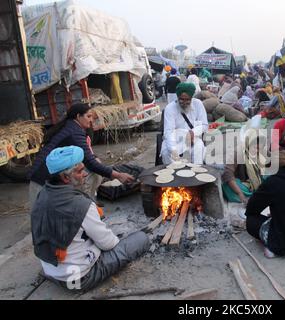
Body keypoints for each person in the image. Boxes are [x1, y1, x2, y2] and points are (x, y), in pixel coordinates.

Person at [31, 146, 150, 292]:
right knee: (141, 239)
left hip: (51, 270)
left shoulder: (42, 195)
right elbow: (108, 244)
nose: (86, 174)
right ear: (65, 177)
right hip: (78, 279)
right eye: (80, 171)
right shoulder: (81, 205)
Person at [28, 103, 134, 206]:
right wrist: (118, 175)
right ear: (78, 116)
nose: (91, 120)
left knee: (95, 167)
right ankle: (87, 206)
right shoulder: (74, 133)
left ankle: (89, 204)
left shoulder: (71, 127)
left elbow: (89, 157)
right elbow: (90, 162)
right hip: (42, 182)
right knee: (95, 174)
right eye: (88, 116)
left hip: (44, 177)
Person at [161, 83, 208, 165]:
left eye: (187, 99)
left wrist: (193, 132)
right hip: (174, 139)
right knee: (166, 153)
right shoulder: (170, 108)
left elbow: (204, 125)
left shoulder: (198, 104)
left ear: (191, 98)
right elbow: (168, 132)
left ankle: (196, 172)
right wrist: (173, 150)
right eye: (181, 99)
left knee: (199, 148)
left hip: (193, 138)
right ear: (177, 97)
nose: (184, 102)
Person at [222, 134, 265, 204]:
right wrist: (239, 193)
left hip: (249, 181)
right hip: (238, 182)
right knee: (230, 188)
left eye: (259, 149)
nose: (257, 151)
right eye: (255, 148)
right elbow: (227, 174)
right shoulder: (237, 153)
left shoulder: (258, 151)